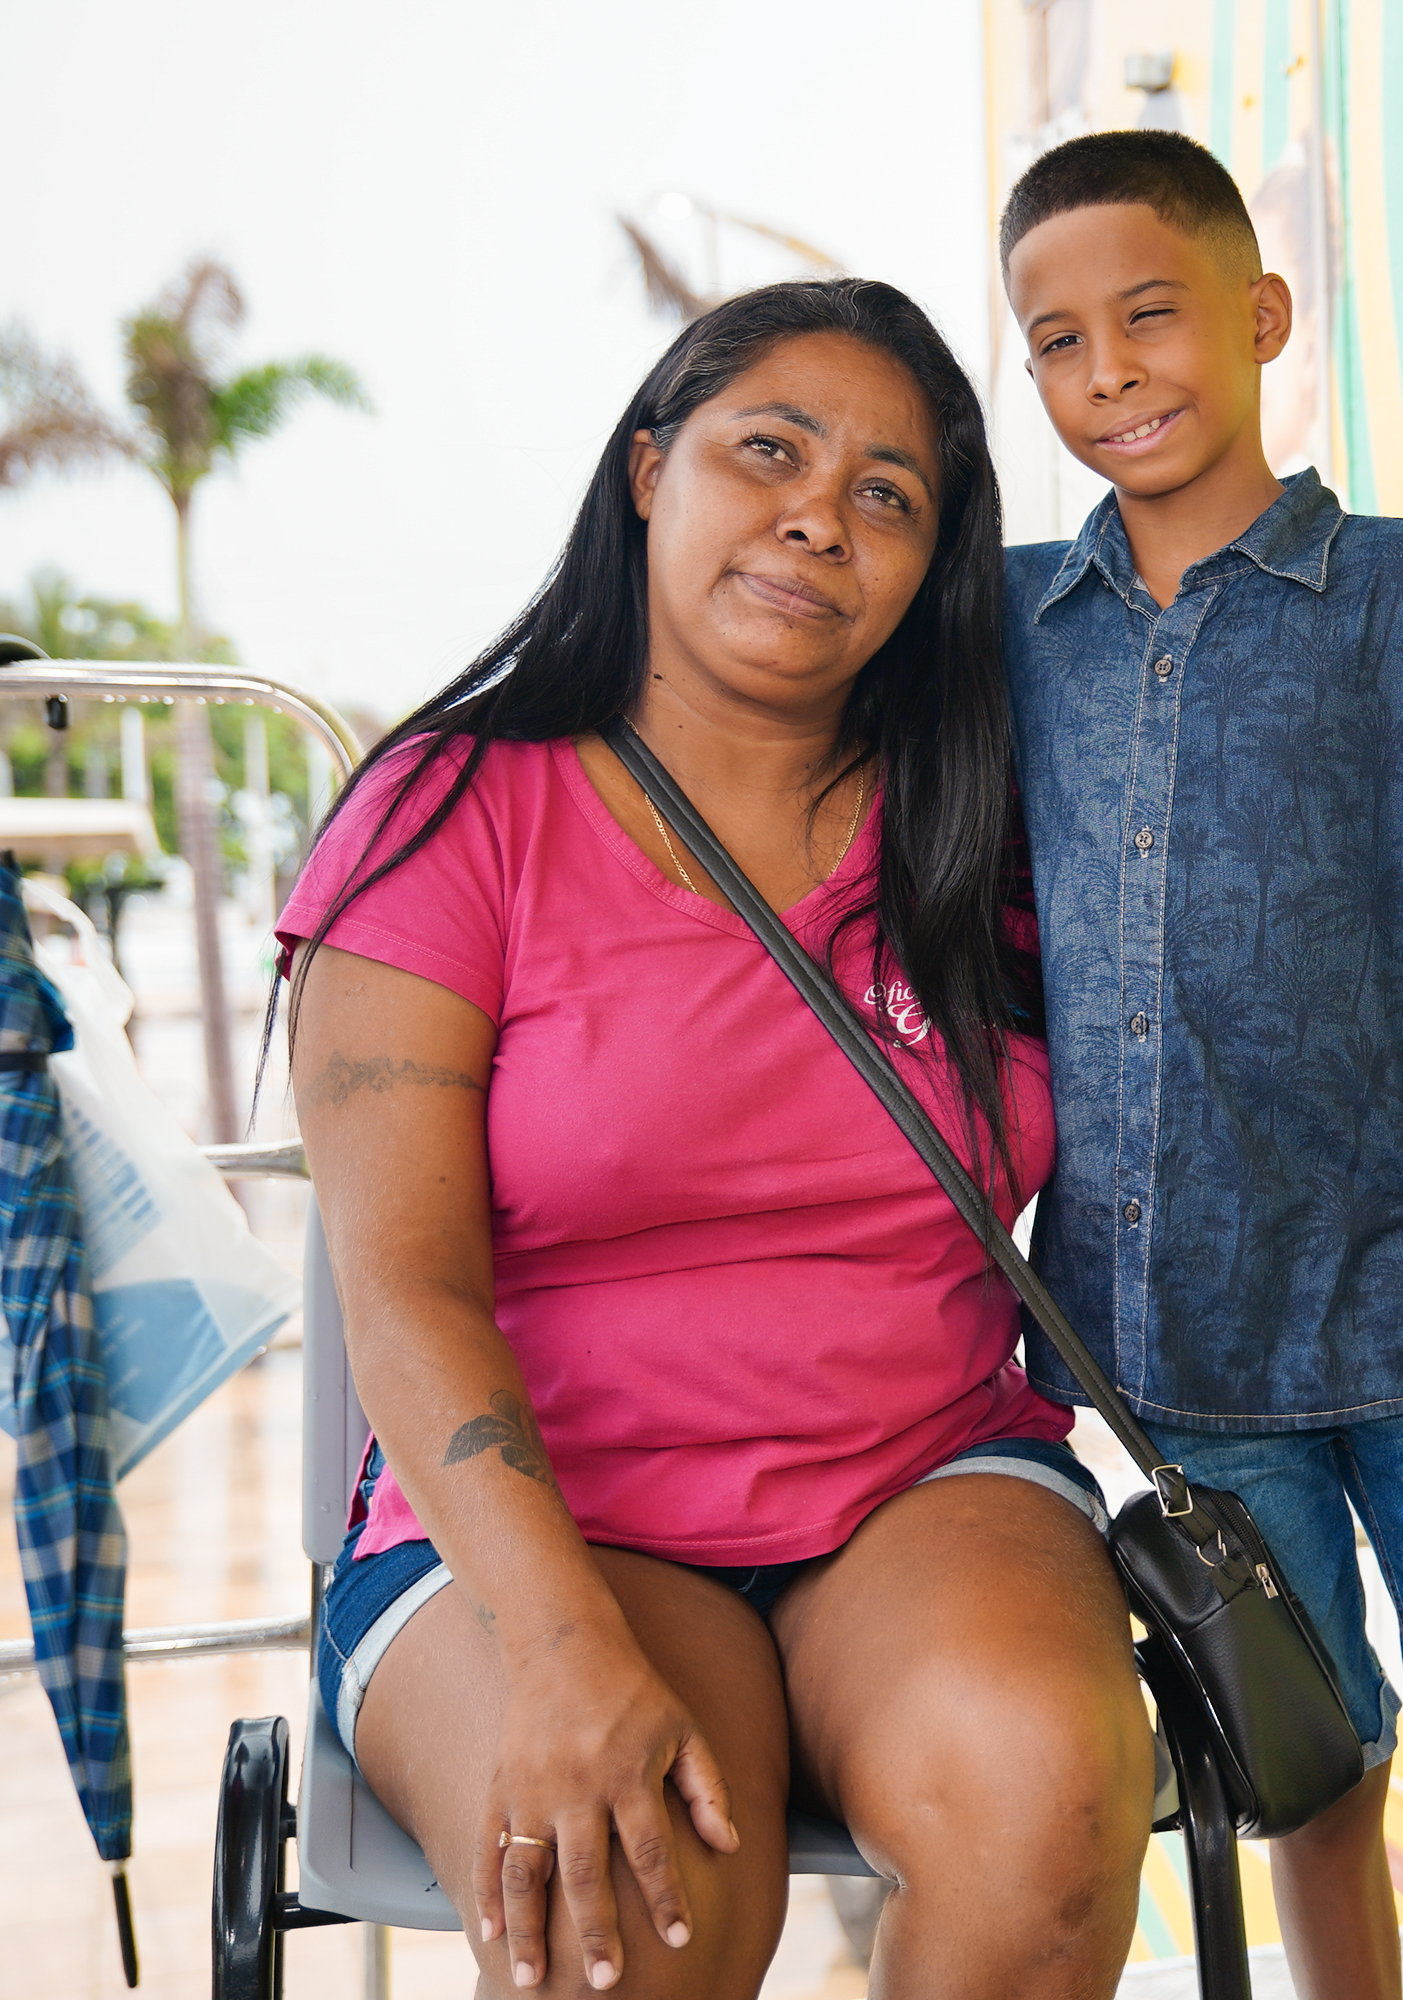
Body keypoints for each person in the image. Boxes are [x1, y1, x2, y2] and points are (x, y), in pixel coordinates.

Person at [279, 281, 1157, 1999]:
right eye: (772, 449)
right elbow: (402, 1291)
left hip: (923, 1476)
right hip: (551, 1518)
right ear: (645, 472)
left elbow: (1227, 1063)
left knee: (1046, 1805)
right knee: (638, 1903)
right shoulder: (447, 813)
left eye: (889, 496)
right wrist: (551, 1644)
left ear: (927, 577)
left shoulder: (988, 822)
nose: (822, 514)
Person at [997, 133, 1403, 2000]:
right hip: (1173, 1339)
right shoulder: (1008, 632)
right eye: (1054, 342)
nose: (1107, 371)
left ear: (1261, 317)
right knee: (1307, 1782)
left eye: (1148, 317)